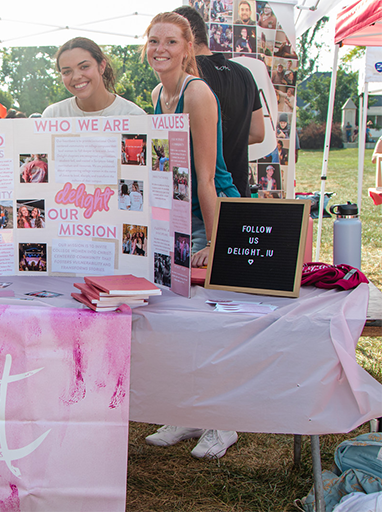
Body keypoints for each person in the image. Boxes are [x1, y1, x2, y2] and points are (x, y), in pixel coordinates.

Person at [143, 12, 241, 460]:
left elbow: (206, 178)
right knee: (177, 321)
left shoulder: (196, 92)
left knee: (210, 323)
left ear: (187, 47)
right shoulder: (156, 95)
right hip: (179, 217)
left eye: (170, 41)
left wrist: (215, 245)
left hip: (212, 213)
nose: (160, 49)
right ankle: (188, 413)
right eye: (153, 41)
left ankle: (223, 423)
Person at [175, 6, 264, 197]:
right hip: (239, 189)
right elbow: (258, 133)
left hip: (203, 195)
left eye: (171, 40)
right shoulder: (245, 74)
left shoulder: (189, 78)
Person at [43, 37, 146, 117]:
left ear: (102, 66)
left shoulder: (133, 115)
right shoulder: (53, 116)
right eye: (67, 72)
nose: (76, 77)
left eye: (84, 67)